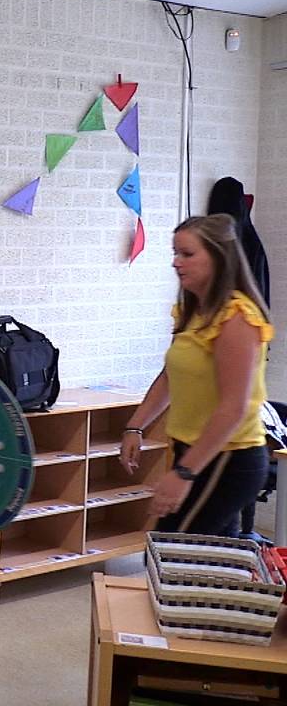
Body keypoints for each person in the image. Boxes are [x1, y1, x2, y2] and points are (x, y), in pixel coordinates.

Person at [119, 214, 274, 536]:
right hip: (191, 449)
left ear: (219, 257)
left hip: (227, 458)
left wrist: (184, 474)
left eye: (187, 254)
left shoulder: (237, 317)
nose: (176, 263)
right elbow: (170, 377)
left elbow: (234, 408)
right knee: (211, 561)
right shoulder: (192, 312)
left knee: (172, 551)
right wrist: (136, 426)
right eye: (175, 253)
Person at [207, 176, 273, 539]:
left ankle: (242, 534)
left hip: (237, 441)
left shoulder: (237, 312)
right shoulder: (251, 239)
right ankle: (242, 531)